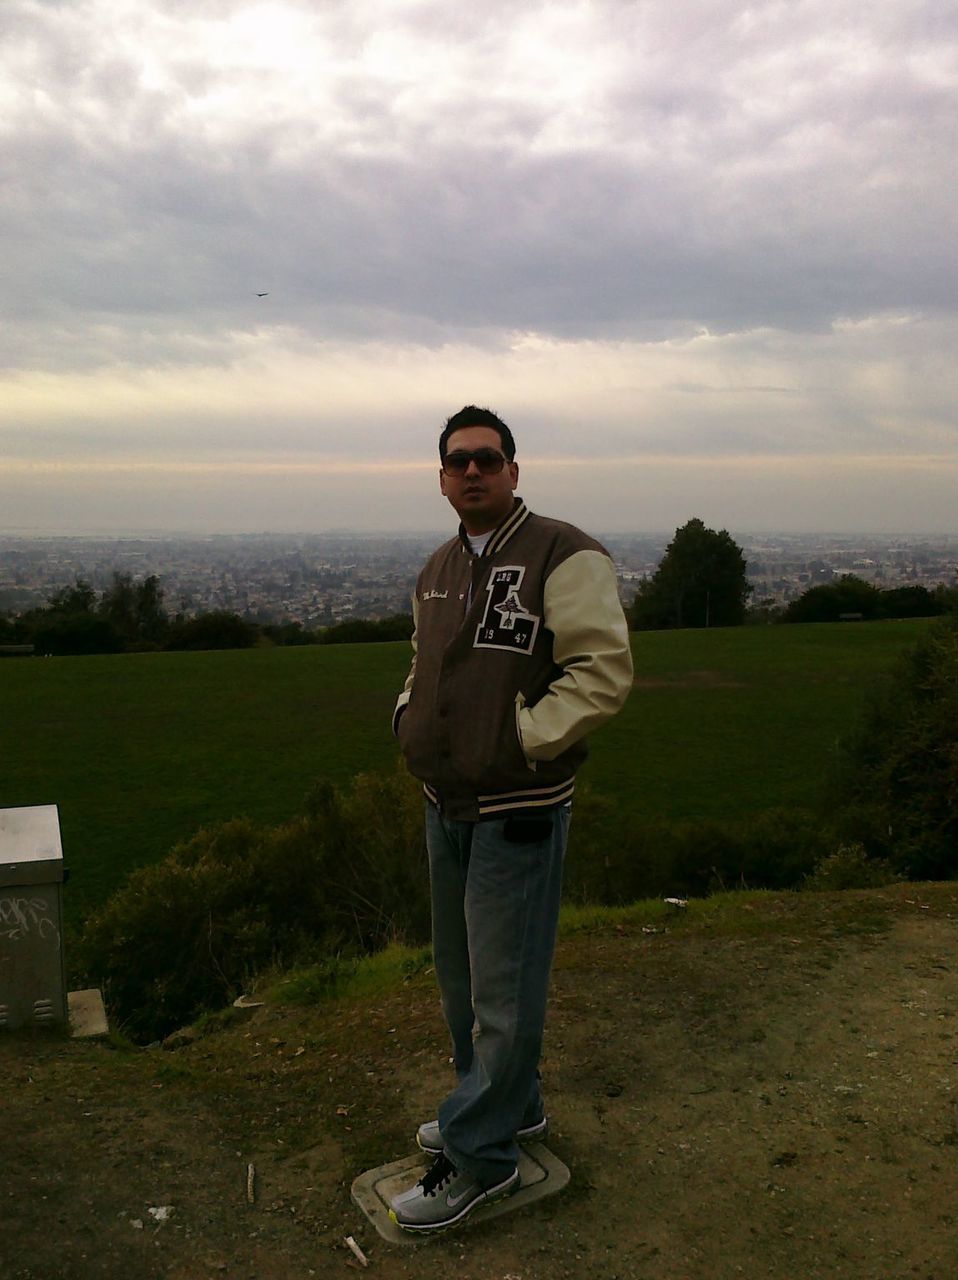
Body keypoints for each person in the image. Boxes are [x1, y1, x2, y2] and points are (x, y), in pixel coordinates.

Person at [388, 405, 633, 1233]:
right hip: (445, 802)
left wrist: (525, 739)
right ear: (443, 476)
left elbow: (602, 671)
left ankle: (481, 1157)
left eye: (488, 459)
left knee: (504, 987)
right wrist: (408, 717)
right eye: (458, 461)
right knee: (461, 978)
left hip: (517, 807)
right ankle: (503, 1106)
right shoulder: (439, 566)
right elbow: (423, 665)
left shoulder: (563, 553)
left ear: (514, 471)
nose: (472, 472)